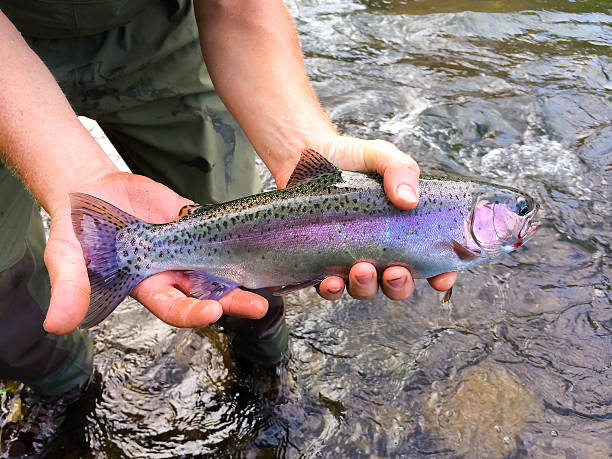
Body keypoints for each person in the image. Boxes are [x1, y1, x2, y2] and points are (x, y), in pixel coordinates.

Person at [0, 0, 456, 451]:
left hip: (155, 29)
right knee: (7, 291)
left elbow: (238, 8)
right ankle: (59, 383)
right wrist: (72, 177)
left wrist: (310, 145)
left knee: (246, 247)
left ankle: (262, 359)